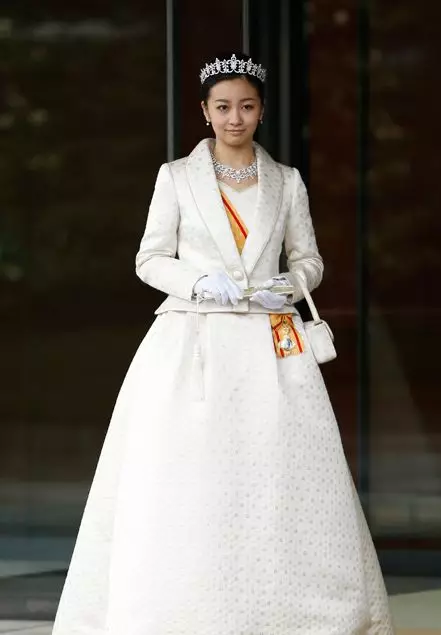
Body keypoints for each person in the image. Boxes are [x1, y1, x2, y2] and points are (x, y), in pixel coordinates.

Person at [52, 52, 394, 635]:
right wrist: (197, 281)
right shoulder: (176, 177)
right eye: (223, 107)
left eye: (247, 106)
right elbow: (149, 258)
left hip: (270, 341)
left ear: (261, 111)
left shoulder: (287, 181)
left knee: (279, 475)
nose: (235, 118)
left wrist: (292, 284)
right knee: (187, 475)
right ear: (204, 112)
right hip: (194, 339)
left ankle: (292, 611)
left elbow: (308, 258)